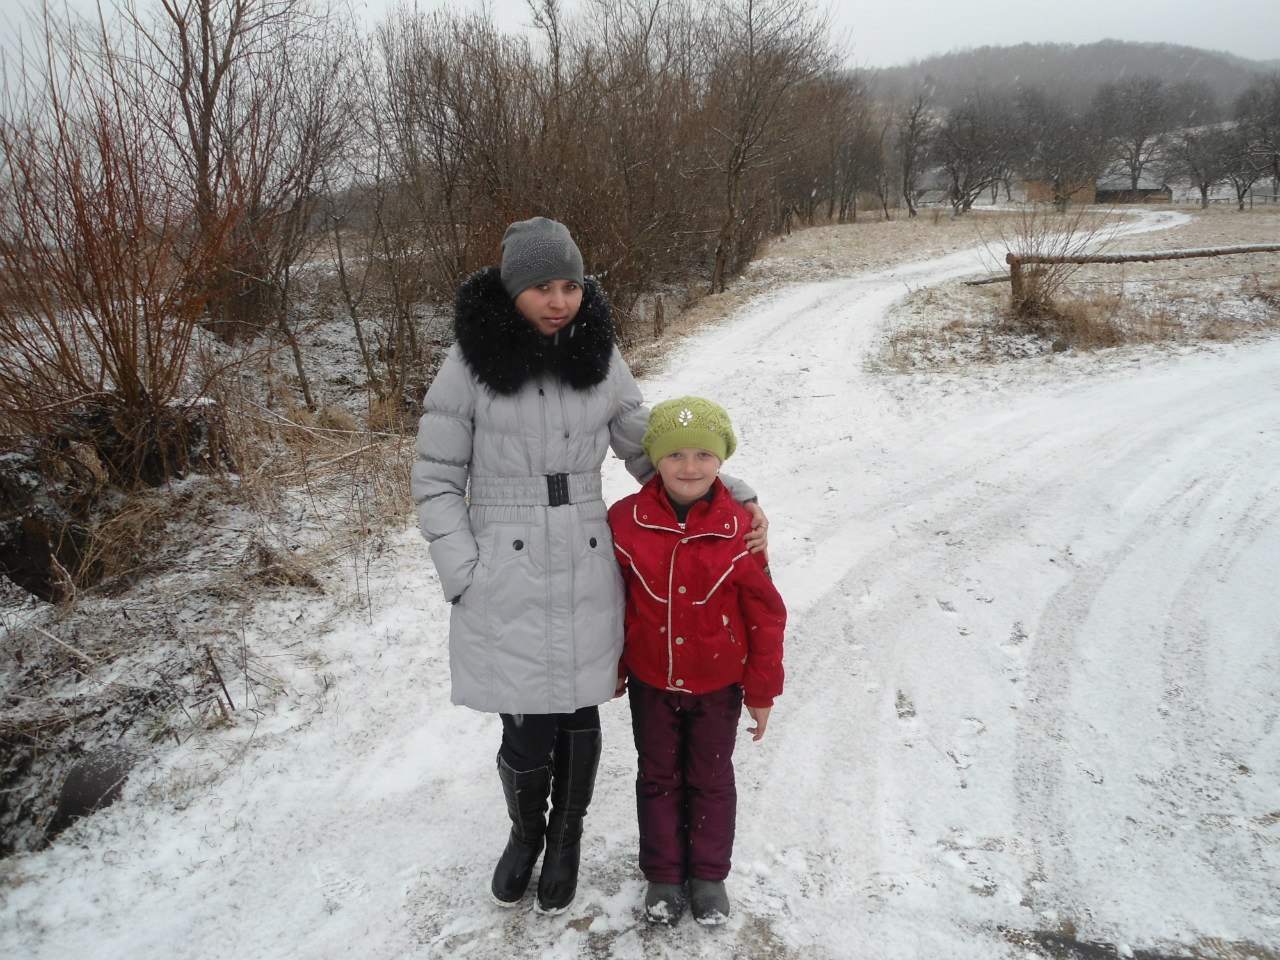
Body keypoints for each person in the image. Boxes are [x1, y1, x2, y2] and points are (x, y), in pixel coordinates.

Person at [411, 218, 767, 915]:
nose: (558, 301)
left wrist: (735, 498)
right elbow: (436, 479)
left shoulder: (599, 355)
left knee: (578, 708)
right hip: (503, 560)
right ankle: (526, 834)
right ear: (513, 289)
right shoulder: (470, 362)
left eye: (570, 286)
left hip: (584, 549)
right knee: (524, 719)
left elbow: (648, 450)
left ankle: (566, 837)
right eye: (542, 287)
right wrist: (463, 570)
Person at [607, 396, 786, 927]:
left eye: (704, 455)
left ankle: (709, 875)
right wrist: (612, 666)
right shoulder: (624, 521)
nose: (690, 467)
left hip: (717, 686)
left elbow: (765, 614)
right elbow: (610, 602)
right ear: (654, 459)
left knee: (710, 778)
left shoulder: (742, 527)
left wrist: (761, 692)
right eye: (676, 454)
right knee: (658, 776)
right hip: (652, 682)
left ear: (722, 459)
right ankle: (663, 874)